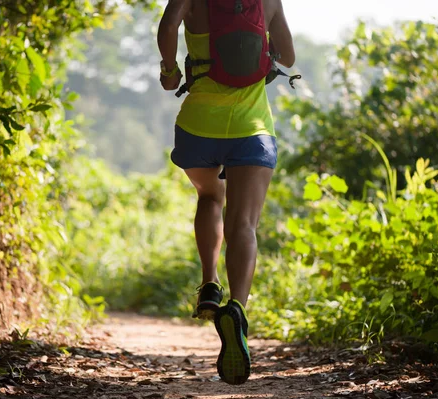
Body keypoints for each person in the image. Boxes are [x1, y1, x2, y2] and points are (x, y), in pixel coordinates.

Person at [157, 0, 295, 385]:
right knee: (245, 226)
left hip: (199, 125)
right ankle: (237, 309)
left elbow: (167, 28)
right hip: (252, 128)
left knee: (210, 196)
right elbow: (289, 54)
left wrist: (169, 71)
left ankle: (209, 282)